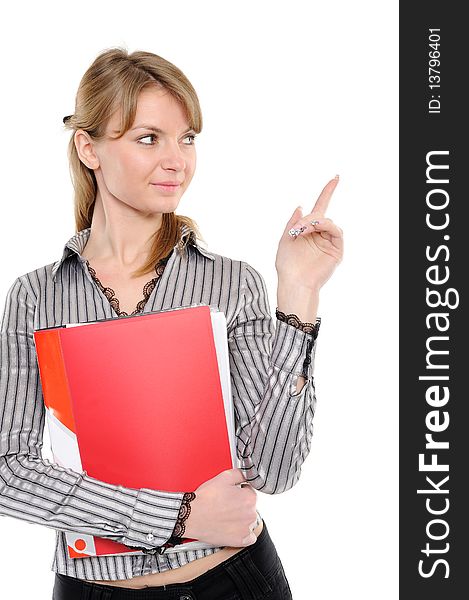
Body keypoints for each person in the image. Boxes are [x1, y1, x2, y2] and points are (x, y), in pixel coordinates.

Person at [0, 47, 343, 599]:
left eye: (187, 139)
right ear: (89, 148)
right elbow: (8, 471)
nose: (176, 160)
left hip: (232, 580)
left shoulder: (231, 284)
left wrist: (298, 294)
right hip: (94, 588)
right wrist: (175, 517)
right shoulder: (36, 297)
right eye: (147, 138)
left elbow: (273, 471)